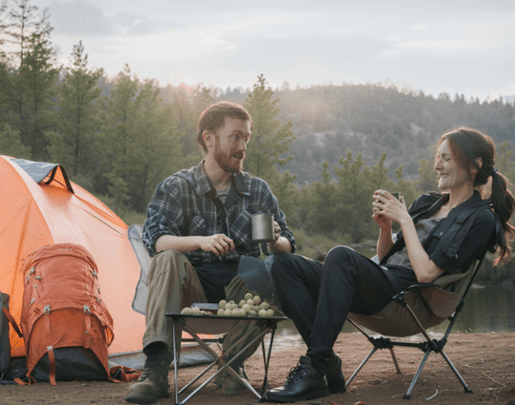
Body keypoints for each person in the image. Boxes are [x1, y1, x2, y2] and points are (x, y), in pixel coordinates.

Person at [266, 128, 514, 403]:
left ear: (473, 166)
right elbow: (385, 259)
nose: (437, 165)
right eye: (437, 157)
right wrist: (386, 229)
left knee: (340, 255)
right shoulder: (428, 202)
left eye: (446, 158)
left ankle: (314, 367)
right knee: (284, 264)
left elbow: (427, 273)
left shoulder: (479, 219)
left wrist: (405, 220)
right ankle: (326, 363)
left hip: (410, 297)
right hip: (384, 282)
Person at [125, 101, 296, 404]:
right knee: (167, 259)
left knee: (273, 267)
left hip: (240, 289)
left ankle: (231, 366)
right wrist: (200, 241)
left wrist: (275, 242)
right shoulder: (177, 187)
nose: (243, 146)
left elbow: (288, 245)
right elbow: (157, 241)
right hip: (190, 289)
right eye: (235, 137)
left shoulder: (257, 190)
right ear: (209, 138)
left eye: (247, 138)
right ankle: (156, 369)